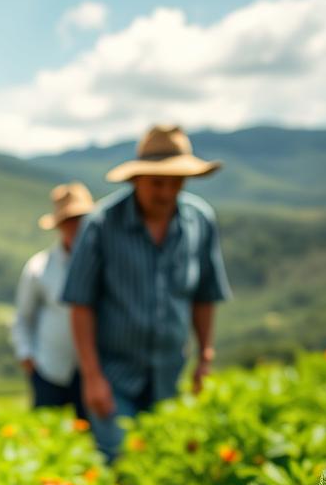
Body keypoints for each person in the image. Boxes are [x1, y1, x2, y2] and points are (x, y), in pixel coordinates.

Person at [63, 125, 231, 459]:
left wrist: (205, 355)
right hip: (113, 378)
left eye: (176, 182)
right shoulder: (101, 225)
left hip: (169, 374)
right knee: (121, 463)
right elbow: (81, 304)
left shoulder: (200, 221)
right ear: (136, 179)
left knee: (161, 463)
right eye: (157, 182)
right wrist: (92, 377)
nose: (167, 192)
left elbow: (205, 294)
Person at [13, 183, 94, 413]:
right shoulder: (38, 268)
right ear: (60, 225)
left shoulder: (105, 264)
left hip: (95, 371)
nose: (76, 226)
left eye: (81, 219)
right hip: (49, 368)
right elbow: (23, 317)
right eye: (70, 220)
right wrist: (28, 359)